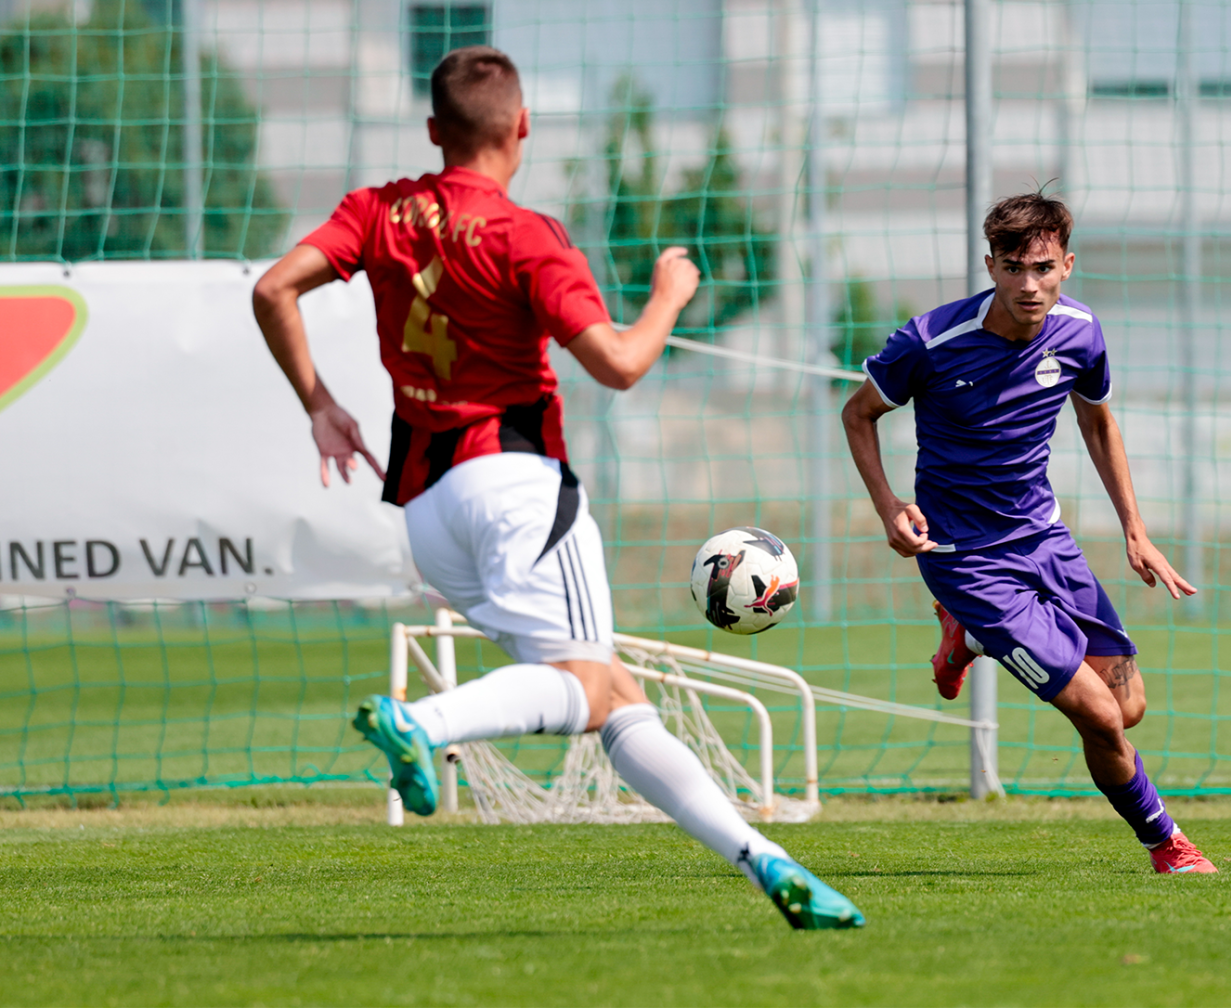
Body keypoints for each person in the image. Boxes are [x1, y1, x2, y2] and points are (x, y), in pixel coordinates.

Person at [251, 45, 863, 929]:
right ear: (524, 127)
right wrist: (668, 296)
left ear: (434, 131)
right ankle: (423, 722)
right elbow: (618, 364)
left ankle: (765, 864)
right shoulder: (525, 235)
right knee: (582, 683)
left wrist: (318, 404)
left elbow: (274, 289)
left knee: (612, 695)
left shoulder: (377, 209)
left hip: (426, 508)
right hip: (516, 488)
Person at [841, 193, 1217, 874]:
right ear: (990, 265)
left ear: (1066, 265)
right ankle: (1169, 844)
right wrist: (887, 503)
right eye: (1012, 267)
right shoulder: (929, 340)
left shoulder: (1080, 333)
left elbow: (1098, 422)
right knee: (1099, 719)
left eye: (1042, 267)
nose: (1028, 284)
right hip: (964, 560)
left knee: (1128, 706)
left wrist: (1136, 531)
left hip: (1046, 542)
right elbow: (858, 413)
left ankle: (968, 636)